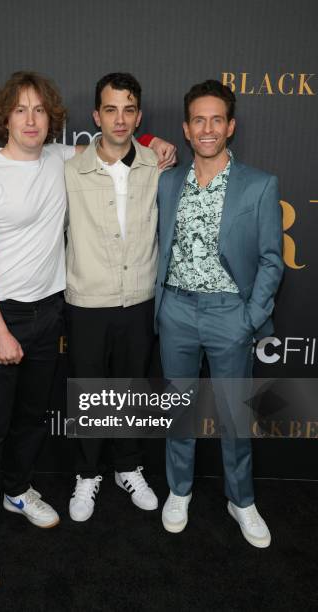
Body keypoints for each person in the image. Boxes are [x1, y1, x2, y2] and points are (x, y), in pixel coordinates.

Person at [0, 70, 175, 588]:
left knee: (32, 419)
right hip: (0, 321)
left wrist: (151, 140)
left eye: (39, 111)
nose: (31, 120)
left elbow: (115, 141)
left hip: (50, 313)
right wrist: (0, 331)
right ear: (4, 118)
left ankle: (18, 490)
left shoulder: (60, 160)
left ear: (51, 119)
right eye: (20, 111)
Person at [155, 79, 283, 547]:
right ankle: (179, 490)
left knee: (234, 415)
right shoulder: (167, 183)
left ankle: (241, 500)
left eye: (216, 120)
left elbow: (272, 258)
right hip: (176, 311)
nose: (206, 129)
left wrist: (248, 318)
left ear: (229, 126)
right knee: (178, 409)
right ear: (186, 130)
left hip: (231, 313)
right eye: (197, 120)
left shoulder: (260, 184)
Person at [65, 73, 168, 522]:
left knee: (131, 388)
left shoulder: (157, 164)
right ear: (96, 116)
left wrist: (156, 143)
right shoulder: (68, 168)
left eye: (129, 110)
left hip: (140, 296)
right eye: (110, 109)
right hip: (87, 300)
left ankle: (128, 466)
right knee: (90, 392)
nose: (120, 119)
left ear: (139, 116)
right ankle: (87, 475)